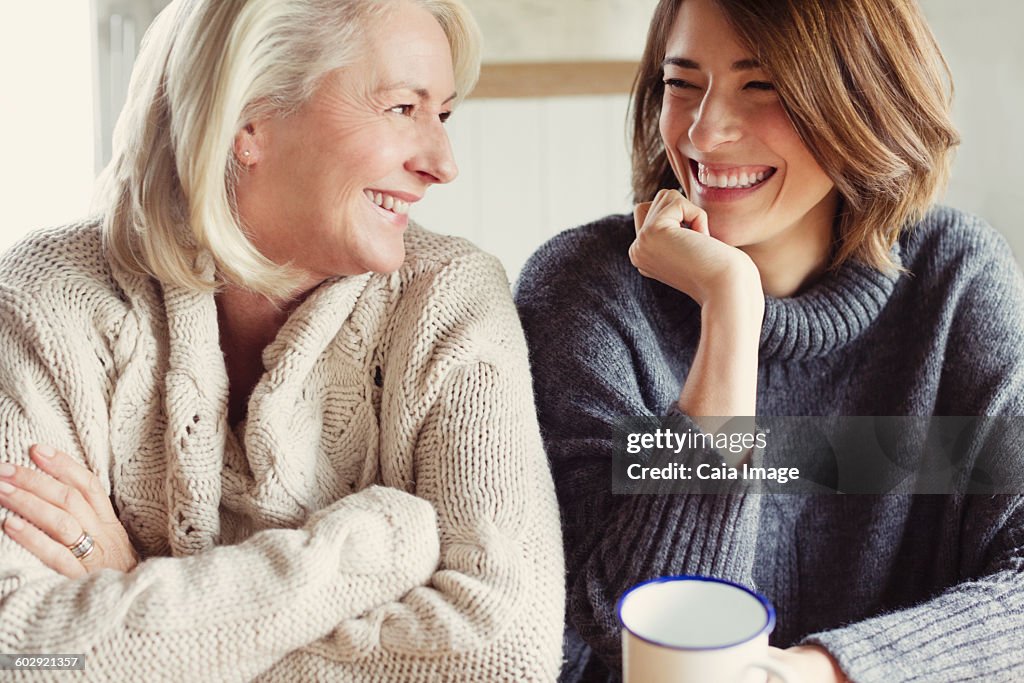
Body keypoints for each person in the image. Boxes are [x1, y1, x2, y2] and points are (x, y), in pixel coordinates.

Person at [0, 0, 564, 679]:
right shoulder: (48, 296)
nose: (443, 163)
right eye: (401, 109)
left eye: (442, 115)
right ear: (251, 116)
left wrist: (134, 595)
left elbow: (505, 650)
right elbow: (18, 653)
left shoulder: (450, 297)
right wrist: (370, 549)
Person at [515, 0, 1024, 681]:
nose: (705, 130)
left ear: (861, 101)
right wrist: (729, 311)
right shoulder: (586, 290)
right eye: (681, 82)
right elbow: (629, 627)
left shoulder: (955, 280)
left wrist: (817, 671)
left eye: (763, 86)